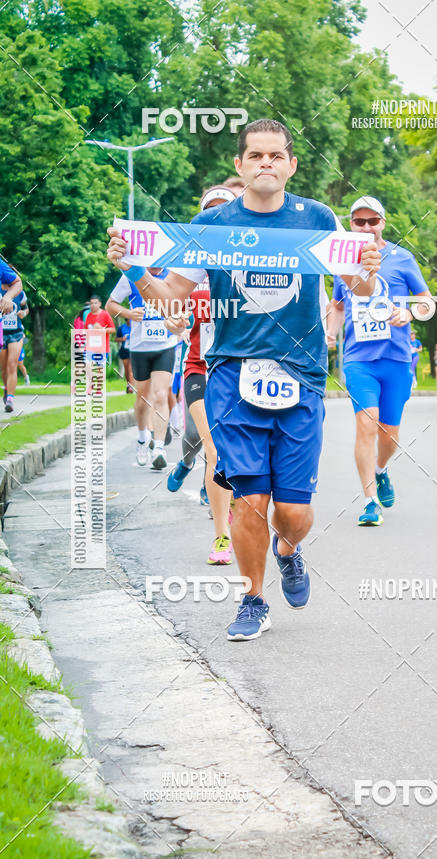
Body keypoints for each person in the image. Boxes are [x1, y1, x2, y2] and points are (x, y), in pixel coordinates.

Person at [107, 118, 381, 640]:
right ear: (240, 164)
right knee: (250, 499)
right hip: (232, 375)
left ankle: (289, 548)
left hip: (300, 376)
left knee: (294, 511)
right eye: (255, 156)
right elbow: (173, 298)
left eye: (275, 156)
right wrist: (138, 271)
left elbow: (361, 292)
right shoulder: (213, 226)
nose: (265, 164)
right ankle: (253, 599)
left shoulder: (316, 218)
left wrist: (366, 268)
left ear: (291, 164)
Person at [326, 195, 432, 526]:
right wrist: (331, 333)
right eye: (359, 221)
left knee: (390, 433)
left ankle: (380, 469)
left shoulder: (402, 258)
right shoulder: (344, 260)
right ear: (352, 224)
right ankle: (370, 501)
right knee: (366, 421)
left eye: (373, 221)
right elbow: (339, 306)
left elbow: (427, 302)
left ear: (383, 223)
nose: (367, 227)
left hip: (398, 358)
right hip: (359, 359)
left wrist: (409, 312)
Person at [166, 184, 237, 566]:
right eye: (210, 211)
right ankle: (222, 537)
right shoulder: (192, 263)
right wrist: (174, 318)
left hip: (241, 371)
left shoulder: (250, 261)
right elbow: (171, 305)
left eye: (225, 210)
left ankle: (237, 512)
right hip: (200, 368)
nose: (218, 217)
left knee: (231, 450)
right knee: (211, 448)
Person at [106, 268, 179, 470]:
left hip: (166, 345)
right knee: (142, 399)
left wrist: (179, 321)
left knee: (161, 395)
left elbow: (183, 304)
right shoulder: (132, 275)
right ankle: (141, 439)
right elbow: (110, 305)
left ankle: (159, 447)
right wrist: (128, 313)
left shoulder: (173, 275)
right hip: (139, 347)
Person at [0, 259, 28, 412]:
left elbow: (26, 309)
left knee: (12, 364)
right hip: (1, 332)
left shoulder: (19, 294)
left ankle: (10, 399)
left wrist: (22, 313)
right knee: (3, 368)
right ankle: (6, 389)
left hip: (16, 333)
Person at [115, 317, 133, 392]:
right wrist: (122, 339)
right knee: (127, 369)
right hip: (124, 350)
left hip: (134, 350)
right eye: (129, 320)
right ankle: (128, 384)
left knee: (130, 368)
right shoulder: (121, 328)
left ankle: (131, 387)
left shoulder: (136, 327)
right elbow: (116, 339)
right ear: (126, 320)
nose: (131, 321)